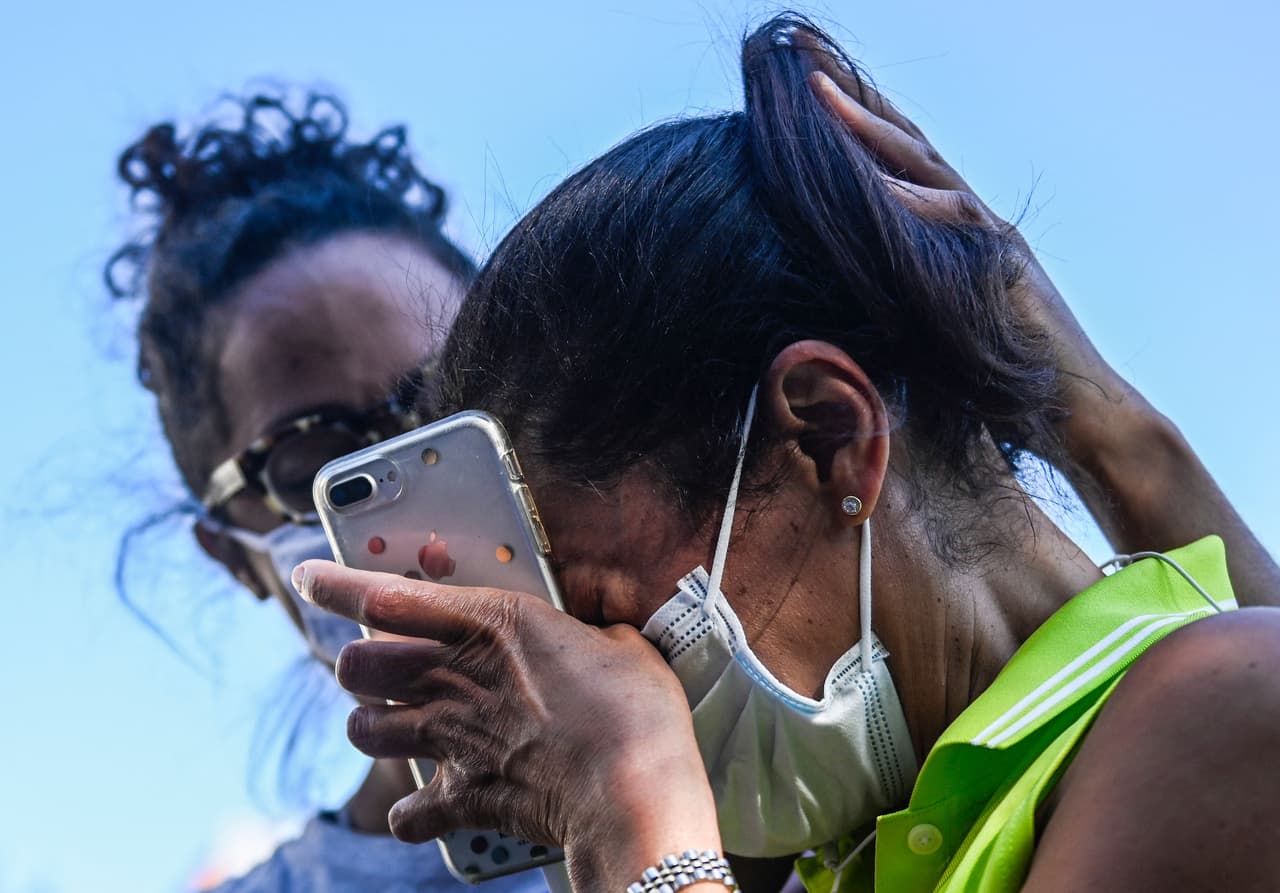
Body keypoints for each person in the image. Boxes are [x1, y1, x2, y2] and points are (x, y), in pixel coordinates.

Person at [296, 15, 1280, 893]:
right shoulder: (841, 853)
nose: (614, 687)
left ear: (828, 435)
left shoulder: (1218, 704)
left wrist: (627, 811)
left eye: (616, 625)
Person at [106, 91, 547, 893]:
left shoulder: (806, 756)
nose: (403, 480)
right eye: (319, 466)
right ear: (236, 558)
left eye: (444, 409)